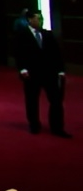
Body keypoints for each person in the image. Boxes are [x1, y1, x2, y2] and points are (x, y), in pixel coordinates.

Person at [12, 9, 69, 137]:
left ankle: (57, 127)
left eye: (41, 18)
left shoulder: (47, 34)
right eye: (38, 18)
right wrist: (22, 69)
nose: (40, 21)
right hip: (32, 73)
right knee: (32, 100)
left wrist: (60, 70)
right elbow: (18, 53)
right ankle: (34, 125)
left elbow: (57, 54)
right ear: (30, 20)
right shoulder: (22, 35)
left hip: (50, 72)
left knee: (56, 100)